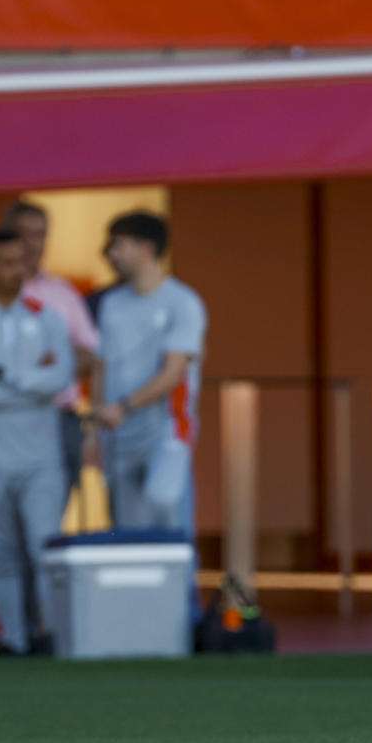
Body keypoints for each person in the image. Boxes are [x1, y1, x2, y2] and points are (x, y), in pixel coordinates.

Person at [0, 229, 75, 654]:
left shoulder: (48, 317)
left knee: (45, 548)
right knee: (0, 554)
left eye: (21, 262)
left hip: (42, 457)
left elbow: (60, 378)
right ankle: (11, 639)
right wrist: (32, 386)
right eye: (5, 263)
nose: (15, 272)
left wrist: (8, 375)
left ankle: (48, 635)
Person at [94, 212, 207, 535]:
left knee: (167, 513)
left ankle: (181, 587)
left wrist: (125, 406)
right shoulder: (111, 304)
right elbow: (103, 364)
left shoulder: (183, 302)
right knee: (129, 531)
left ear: (145, 248)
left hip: (166, 431)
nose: (110, 253)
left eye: (118, 244)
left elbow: (174, 372)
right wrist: (98, 421)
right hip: (119, 435)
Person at [0, 201, 100, 499]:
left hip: (59, 419)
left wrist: (46, 362)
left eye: (41, 235)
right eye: (25, 235)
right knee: (7, 523)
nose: (34, 244)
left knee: (52, 522)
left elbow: (90, 355)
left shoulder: (63, 294)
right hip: (7, 420)